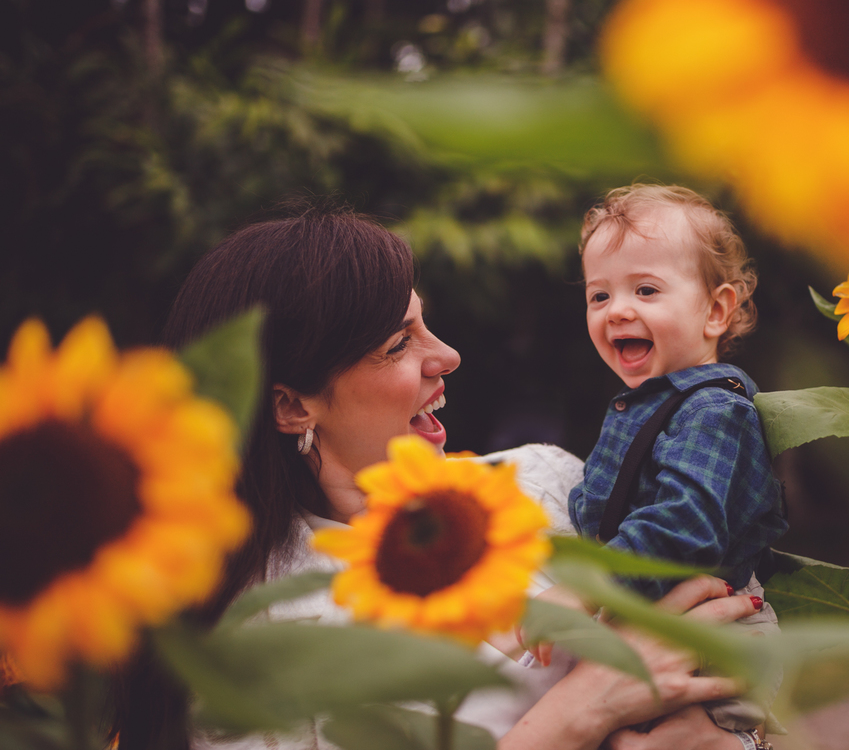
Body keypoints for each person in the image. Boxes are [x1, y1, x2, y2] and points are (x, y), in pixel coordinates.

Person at [109, 201, 760, 750]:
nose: (447, 356)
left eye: (426, 325)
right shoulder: (255, 638)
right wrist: (572, 719)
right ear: (291, 405)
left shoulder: (541, 480)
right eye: (399, 343)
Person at [520, 185, 788, 732]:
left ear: (716, 310)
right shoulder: (649, 408)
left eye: (645, 289)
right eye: (599, 296)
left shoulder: (713, 411)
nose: (617, 310)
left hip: (711, 634)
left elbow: (683, 526)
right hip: (665, 618)